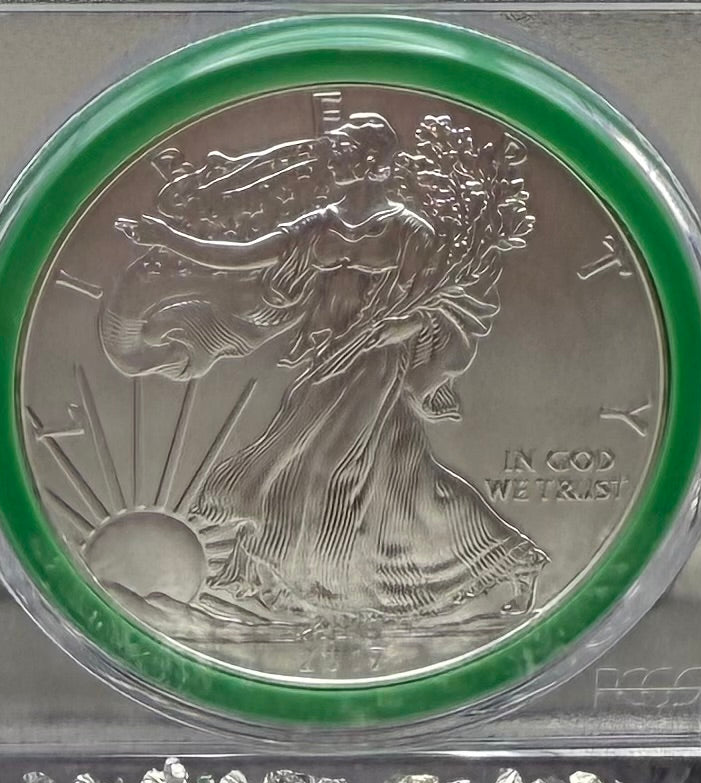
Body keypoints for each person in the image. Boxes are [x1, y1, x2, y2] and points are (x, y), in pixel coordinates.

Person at [102, 113, 547, 623]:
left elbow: (432, 308)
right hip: (325, 363)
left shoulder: (410, 232)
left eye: (342, 151)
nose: (331, 158)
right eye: (333, 149)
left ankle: (331, 594)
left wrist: (393, 330)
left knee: (330, 470)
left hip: (376, 366)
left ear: (373, 162)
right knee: (378, 480)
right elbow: (241, 256)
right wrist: (167, 238)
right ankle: (508, 559)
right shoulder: (317, 225)